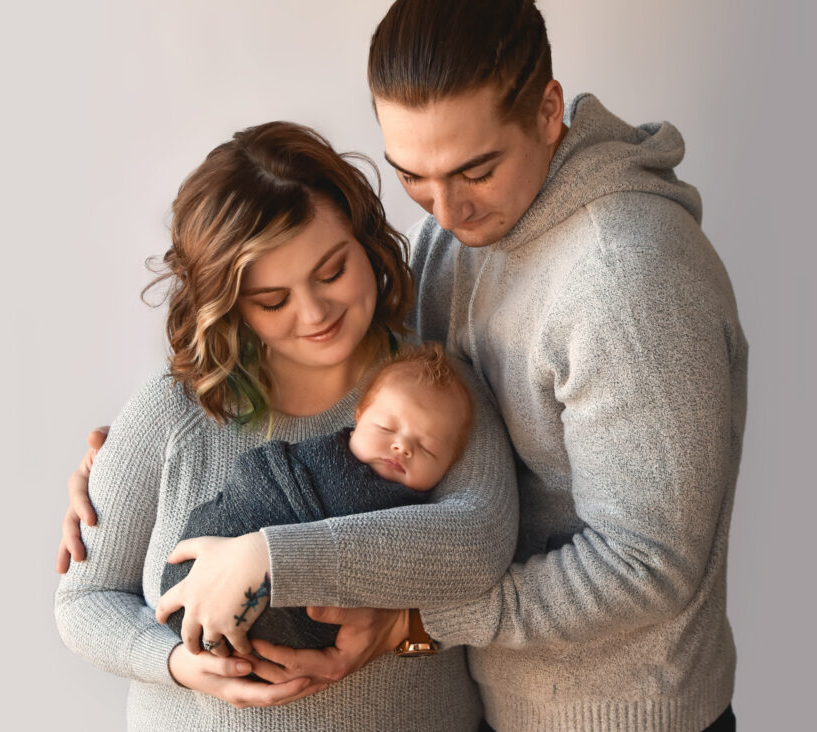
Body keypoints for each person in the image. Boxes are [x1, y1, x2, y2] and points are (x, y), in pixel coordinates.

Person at [61, 0, 747, 729]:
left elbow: (646, 563)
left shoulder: (626, 276)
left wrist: (382, 611)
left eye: (475, 170)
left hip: (617, 712)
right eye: (413, 176)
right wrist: (121, 467)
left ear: (549, 112)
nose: (445, 212)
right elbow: (368, 380)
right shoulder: (452, 244)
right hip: (509, 702)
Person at [54, 120, 517, 731]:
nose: (315, 312)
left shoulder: (434, 392)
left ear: (366, 241)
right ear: (228, 302)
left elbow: (477, 546)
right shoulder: (168, 414)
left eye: (331, 272)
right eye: (272, 300)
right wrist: (171, 662)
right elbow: (84, 600)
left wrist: (268, 559)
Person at [161, 343, 474, 650]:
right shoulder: (316, 456)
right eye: (386, 427)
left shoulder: (431, 523)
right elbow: (258, 476)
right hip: (217, 549)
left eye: (428, 448)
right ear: (359, 416)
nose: (402, 446)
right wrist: (174, 664)